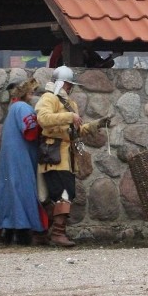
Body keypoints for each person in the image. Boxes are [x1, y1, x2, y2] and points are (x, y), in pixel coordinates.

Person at [35, 66, 110, 247]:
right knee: (62, 195)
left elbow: (75, 131)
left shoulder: (71, 104)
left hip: (67, 156)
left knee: (65, 194)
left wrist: (95, 125)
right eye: (68, 85)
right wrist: (69, 116)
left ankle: (46, 232)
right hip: (53, 154)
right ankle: (54, 234)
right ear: (61, 83)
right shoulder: (48, 98)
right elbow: (43, 119)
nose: (70, 88)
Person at [0, 78, 44, 245]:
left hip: (11, 155)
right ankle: (22, 232)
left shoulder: (13, 108)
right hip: (20, 156)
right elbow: (31, 132)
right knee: (22, 189)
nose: (33, 94)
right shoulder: (22, 107)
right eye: (30, 91)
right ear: (23, 93)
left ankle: (7, 232)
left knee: (10, 191)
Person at [49, 42, 122, 68]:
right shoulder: (61, 47)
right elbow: (53, 65)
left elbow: (99, 63)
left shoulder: (90, 52)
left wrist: (107, 62)